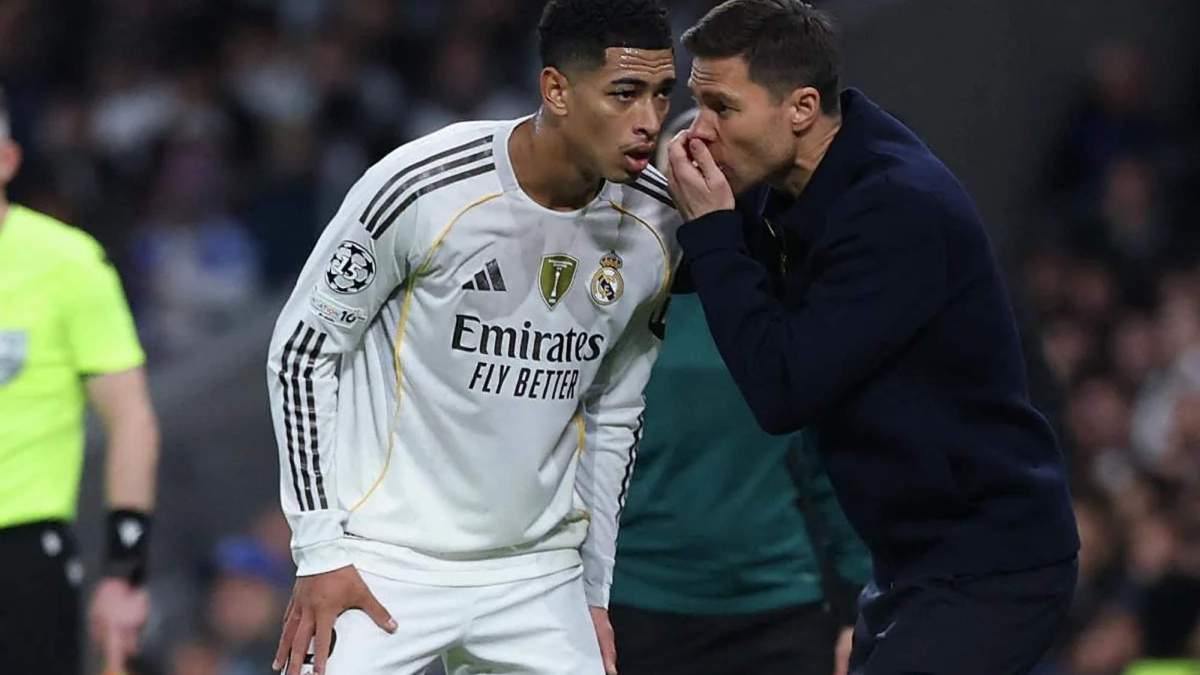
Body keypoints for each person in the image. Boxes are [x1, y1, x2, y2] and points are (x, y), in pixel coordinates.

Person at [664, 2, 1080, 673]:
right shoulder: (798, 184)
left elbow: (783, 388)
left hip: (989, 566)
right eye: (697, 101)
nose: (701, 131)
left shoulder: (895, 208)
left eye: (721, 106)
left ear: (800, 108)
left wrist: (711, 230)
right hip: (914, 560)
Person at [265, 2, 680, 674]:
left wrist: (594, 590)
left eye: (664, 95)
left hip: (538, 575)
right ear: (556, 91)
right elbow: (304, 351)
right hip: (381, 562)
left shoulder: (656, 223)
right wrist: (319, 550)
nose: (650, 121)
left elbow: (614, 413)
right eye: (624, 94)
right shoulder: (424, 185)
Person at [609, 109, 871, 675]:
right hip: (635, 608)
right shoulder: (612, 312)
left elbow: (834, 469)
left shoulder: (793, 311)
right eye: (690, 168)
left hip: (779, 611)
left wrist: (859, 605)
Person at [0, 86, 160, 674]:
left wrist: (125, 573)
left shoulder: (68, 264)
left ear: (8, 160)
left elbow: (131, 417)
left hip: (19, 555)